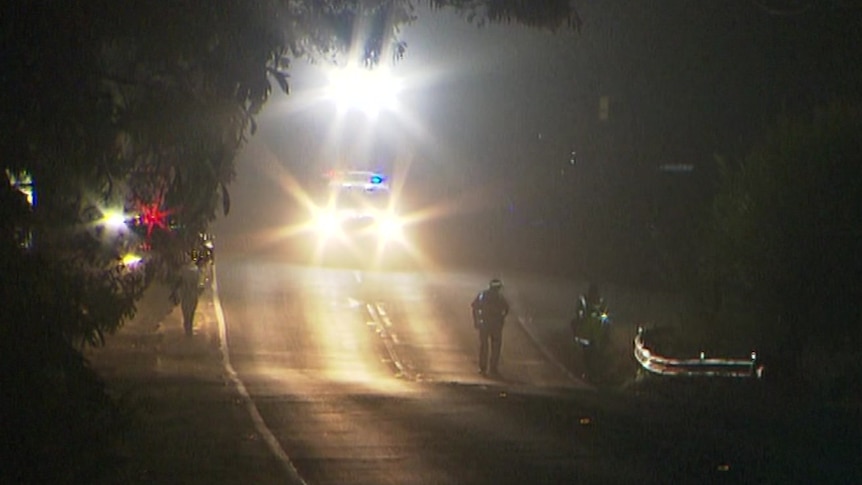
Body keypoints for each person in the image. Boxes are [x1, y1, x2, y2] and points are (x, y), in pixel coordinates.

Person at [471, 278, 510, 376]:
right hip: (495, 325)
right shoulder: (500, 297)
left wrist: (476, 320)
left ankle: (483, 367)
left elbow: (474, 307)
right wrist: (502, 318)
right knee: (495, 347)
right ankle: (493, 368)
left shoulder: (483, 295)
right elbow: (506, 309)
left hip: (485, 324)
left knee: (484, 346)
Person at [571, 283, 609, 348]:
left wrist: (603, 316)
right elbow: (579, 311)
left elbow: (605, 312)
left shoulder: (600, 301)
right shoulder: (584, 300)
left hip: (596, 327)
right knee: (574, 323)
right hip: (586, 327)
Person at [179, 259, 202, 336]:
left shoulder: (182, 270)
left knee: (186, 311)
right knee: (191, 311)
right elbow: (198, 284)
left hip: (185, 294)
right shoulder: (196, 271)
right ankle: (189, 328)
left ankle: (187, 327)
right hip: (192, 294)